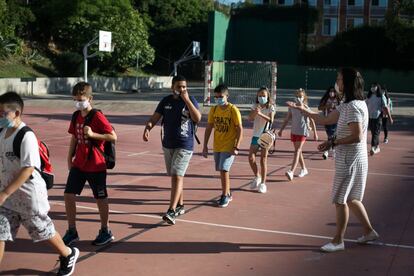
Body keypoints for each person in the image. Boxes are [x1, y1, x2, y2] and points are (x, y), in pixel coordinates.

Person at [288, 68, 379, 252]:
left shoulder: (353, 106)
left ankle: (338, 241)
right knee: (353, 199)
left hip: (350, 159)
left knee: (340, 200)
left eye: (339, 79)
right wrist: (303, 110)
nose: (336, 82)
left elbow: (357, 136)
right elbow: (326, 119)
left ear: (347, 82)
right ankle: (369, 232)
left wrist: (333, 142)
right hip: (355, 158)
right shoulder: (350, 104)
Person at [0, 92, 79, 275]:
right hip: (8, 198)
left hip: (29, 196)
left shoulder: (26, 136)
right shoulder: (2, 133)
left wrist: (4, 193)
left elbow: (27, 169)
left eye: (3, 113)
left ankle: (68, 253)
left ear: (17, 113)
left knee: (42, 230)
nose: (0, 117)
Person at [63, 82, 117, 246]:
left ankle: (105, 230)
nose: (78, 103)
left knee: (100, 197)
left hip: (96, 164)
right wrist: (69, 158)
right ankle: (72, 230)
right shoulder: (76, 115)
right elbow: (74, 137)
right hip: (79, 163)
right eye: (75, 100)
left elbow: (113, 136)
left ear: (90, 98)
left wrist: (93, 134)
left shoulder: (97, 116)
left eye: (81, 99)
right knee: (68, 195)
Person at [143, 75, 201, 225]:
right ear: (172, 87)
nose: (181, 90)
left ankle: (171, 210)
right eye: (179, 87)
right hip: (168, 144)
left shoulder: (190, 100)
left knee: (176, 175)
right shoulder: (166, 101)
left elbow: (197, 118)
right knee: (174, 176)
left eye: (184, 87)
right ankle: (181, 205)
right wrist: (148, 127)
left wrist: (187, 100)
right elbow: (155, 118)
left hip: (184, 144)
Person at [202, 84, 243, 207]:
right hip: (217, 145)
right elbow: (209, 127)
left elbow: (240, 129)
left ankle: (224, 195)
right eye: (216, 97)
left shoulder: (233, 110)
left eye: (221, 96)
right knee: (221, 170)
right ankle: (228, 193)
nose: (218, 99)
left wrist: (237, 146)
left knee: (224, 169)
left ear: (227, 96)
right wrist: (205, 145)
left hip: (229, 145)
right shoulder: (214, 110)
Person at [278, 88, 318, 181]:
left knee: (297, 150)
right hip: (294, 131)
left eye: (300, 96)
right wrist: (281, 130)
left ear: (304, 97)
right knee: (298, 151)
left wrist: (315, 133)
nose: (298, 98)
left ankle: (291, 171)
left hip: (303, 131)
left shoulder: (305, 108)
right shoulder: (292, 107)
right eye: (297, 96)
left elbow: (312, 119)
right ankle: (304, 169)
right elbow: (287, 119)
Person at [248, 87, 275, 193]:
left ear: (268, 96)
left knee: (263, 160)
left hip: (265, 135)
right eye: (259, 95)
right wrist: (256, 112)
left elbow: (271, 120)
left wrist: (260, 113)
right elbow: (250, 118)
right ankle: (257, 176)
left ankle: (263, 183)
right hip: (256, 135)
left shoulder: (271, 107)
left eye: (263, 95)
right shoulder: (255, 106)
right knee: (251, 157)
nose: (261, 97)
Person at [366, 83, 391, 155]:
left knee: (376, 133)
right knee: (373, 132)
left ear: (377, 87)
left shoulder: (381, 96)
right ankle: (377, 147)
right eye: (371, 86)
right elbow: (365, 104)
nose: (372, 87)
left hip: (378, 118)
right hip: (370, 117)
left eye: (374, 86)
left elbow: (386, 107)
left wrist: (389, 117)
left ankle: (373, 147)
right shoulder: (369, 96)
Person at [318, 86, 341, 160]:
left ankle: (328, 151)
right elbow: (319, 107)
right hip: (327, 119)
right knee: (330, 135)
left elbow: (342, 108)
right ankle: (331, 149)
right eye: (330, 91)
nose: (332, 93)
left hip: (336, 119)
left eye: (333, 92)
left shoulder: (338, 100)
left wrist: (335, 107)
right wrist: (327, 106)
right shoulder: (325, 99)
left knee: (332, 135)